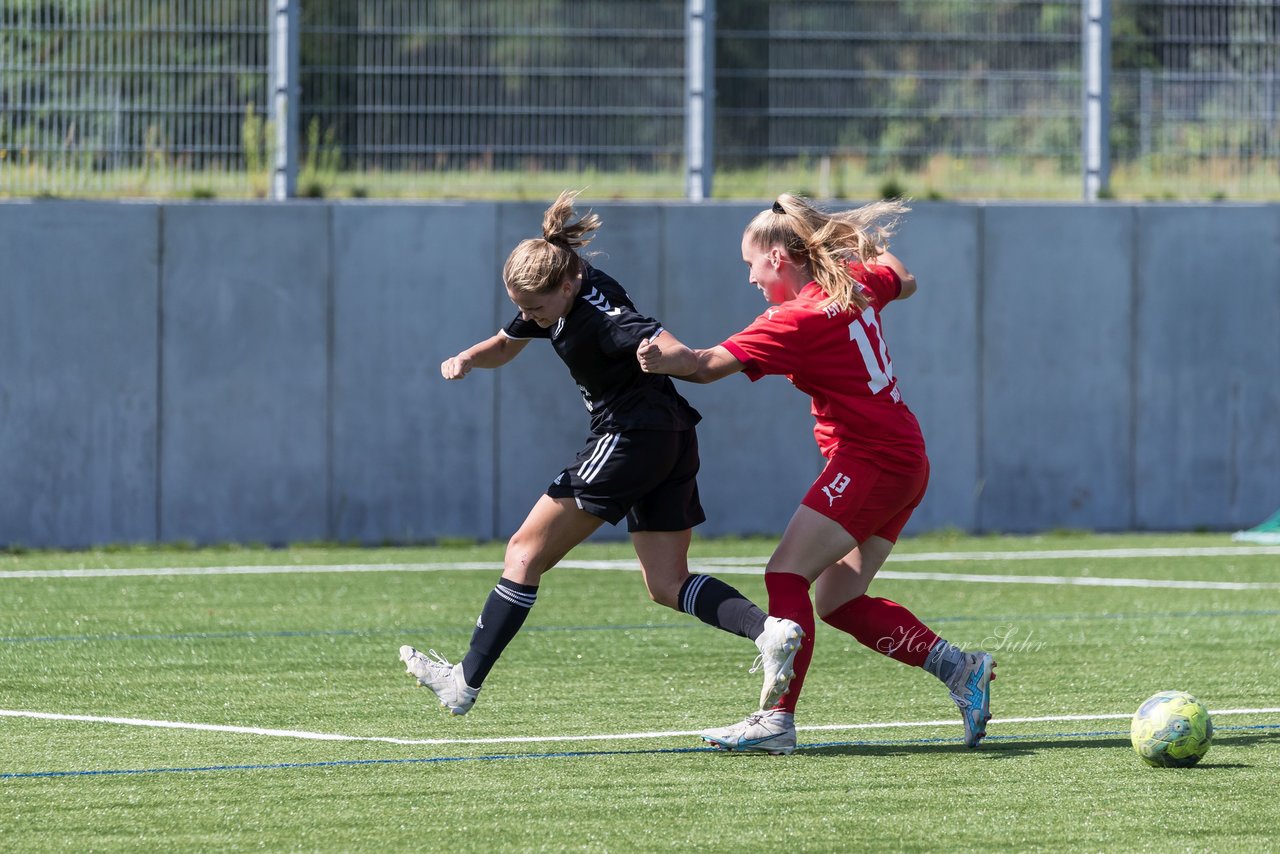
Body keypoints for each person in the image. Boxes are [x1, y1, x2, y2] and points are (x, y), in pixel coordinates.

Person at [399, 190, 803, 716]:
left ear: (568, 286)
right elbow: (507, 340)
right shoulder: (553, 291)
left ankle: (464, 683)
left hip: (631, 435)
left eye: (538, 308)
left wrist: (662, 354)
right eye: (523, 308)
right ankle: (767, 632)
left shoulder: (602, 314)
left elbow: (667, 345)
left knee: (524, 552)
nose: (532, 319)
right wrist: (467, 358)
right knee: (666, 582)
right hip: (668, 436)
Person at [636, 194, 995, 755]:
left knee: (785, 575)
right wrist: (839, 234)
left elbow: (704, 367)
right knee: (839, 601)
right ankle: (960, 669)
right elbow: (905, 276)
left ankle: (775, 721)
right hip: (902, 457)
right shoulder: (852, 283)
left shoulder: (794, 318)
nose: (750, 277)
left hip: (870, 459)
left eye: (751, 263)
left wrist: (664, 356)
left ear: (779, 257)